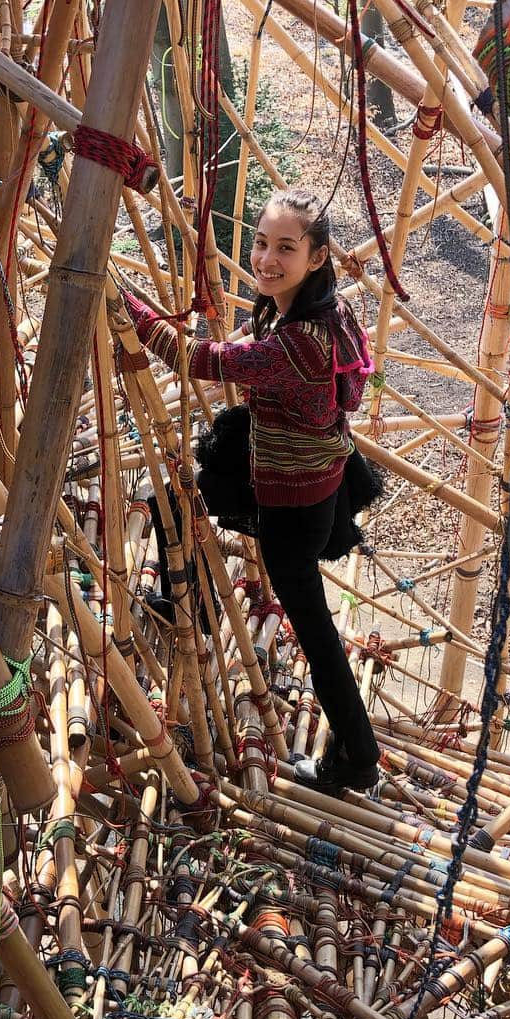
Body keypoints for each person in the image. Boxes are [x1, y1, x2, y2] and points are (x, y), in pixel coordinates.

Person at [123, 188, 380, 796]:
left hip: (293, 498)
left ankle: (357, 758)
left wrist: (125, 307)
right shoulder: (307, 310)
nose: (265, 259)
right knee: (171, 501)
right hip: (300, 467)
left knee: (315, 632)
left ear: (317, 257)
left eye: (285, 249)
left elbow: (199, 360)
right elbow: (239, 347)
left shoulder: (299, 342)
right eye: (262, 243)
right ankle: (194, 602)